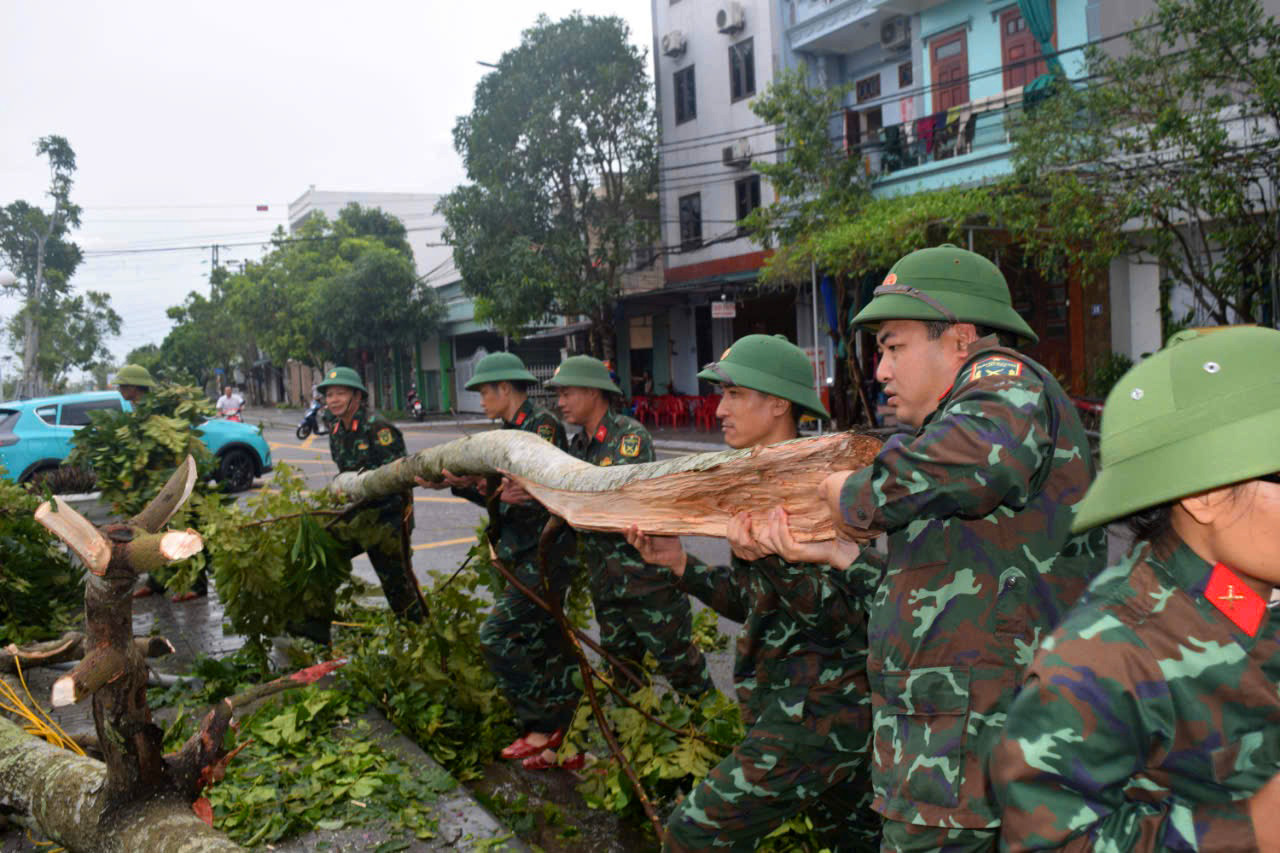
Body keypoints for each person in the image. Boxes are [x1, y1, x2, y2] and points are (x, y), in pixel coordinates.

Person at [763, 245, 1106, 852]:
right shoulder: (947, 434)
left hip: (969, 766)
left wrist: (849, 498)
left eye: (894, 347)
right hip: (947, 761)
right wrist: (841, 558)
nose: (881, 371)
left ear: (960, 340)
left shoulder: (1004, 383)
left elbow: (981, 460)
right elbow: (951, 599)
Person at [991, 326, 1280, 851]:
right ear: (1208, 496)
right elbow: (1051, 840)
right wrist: (1251, 829)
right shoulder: (1104, 658)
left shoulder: (1254, 593)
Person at [625, 334, 880, 851]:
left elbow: (854, 620)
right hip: (792, 706)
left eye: (735, 394)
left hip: (822, 712)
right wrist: (680, 565)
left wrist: (775, 559)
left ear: (779, 404)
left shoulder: (828, 484)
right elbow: (755, 606)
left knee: (693, 834)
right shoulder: (756, 480)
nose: (719, 409)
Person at [537, 355, 714, 768]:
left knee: (682, 668)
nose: (560, 402)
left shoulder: (628, 438)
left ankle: (717, 741)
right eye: (558, 394)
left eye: (566, 392)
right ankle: (632, 754)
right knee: (622, 674)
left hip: (647, 583)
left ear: (593, 391)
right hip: (608, 585)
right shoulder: (578, 445)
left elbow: (617, 502)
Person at [417, 352, 580, 766]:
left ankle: (540, 725)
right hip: (521, 555)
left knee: (497, 637)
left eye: (485, 391)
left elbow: (527, 495)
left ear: (505, 389)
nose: (481, 399)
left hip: (543, 554)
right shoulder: (508, 431)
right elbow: (499, 493)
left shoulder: (539, 427)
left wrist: (486, 488)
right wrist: (462, 485)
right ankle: (564, 726)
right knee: (546, 641)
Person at [309, 366, 427, 640]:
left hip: (388, 520)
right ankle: (316, 635)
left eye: (340, 393)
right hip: (355, 517)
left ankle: (423, 640)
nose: (333, 400)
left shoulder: (379, 428)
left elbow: (401, 476)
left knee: (398, 587)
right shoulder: (335, 426)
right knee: (320, 559)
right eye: (329, 394)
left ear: (357, 397)